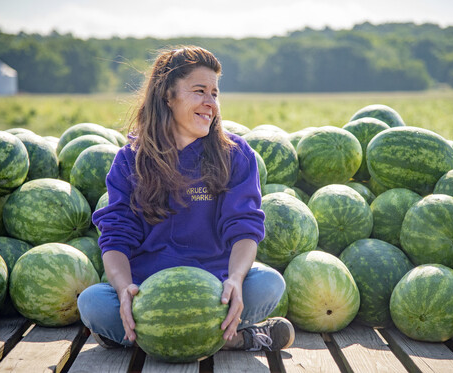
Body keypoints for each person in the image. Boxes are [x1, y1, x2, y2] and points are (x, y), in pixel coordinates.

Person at [77, 46, 295, 353]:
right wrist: (124, 290)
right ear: (168, 96)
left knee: (269, 283)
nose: (210, 103)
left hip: (216, 291)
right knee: (92, 303)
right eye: (199, 91)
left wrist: (235, 279)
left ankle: (135, 340)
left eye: (215, 94)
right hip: (148, 295)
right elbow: (115, 236)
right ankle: (234, 339)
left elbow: (244, 227)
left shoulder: (235, 154)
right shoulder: (130, 161)